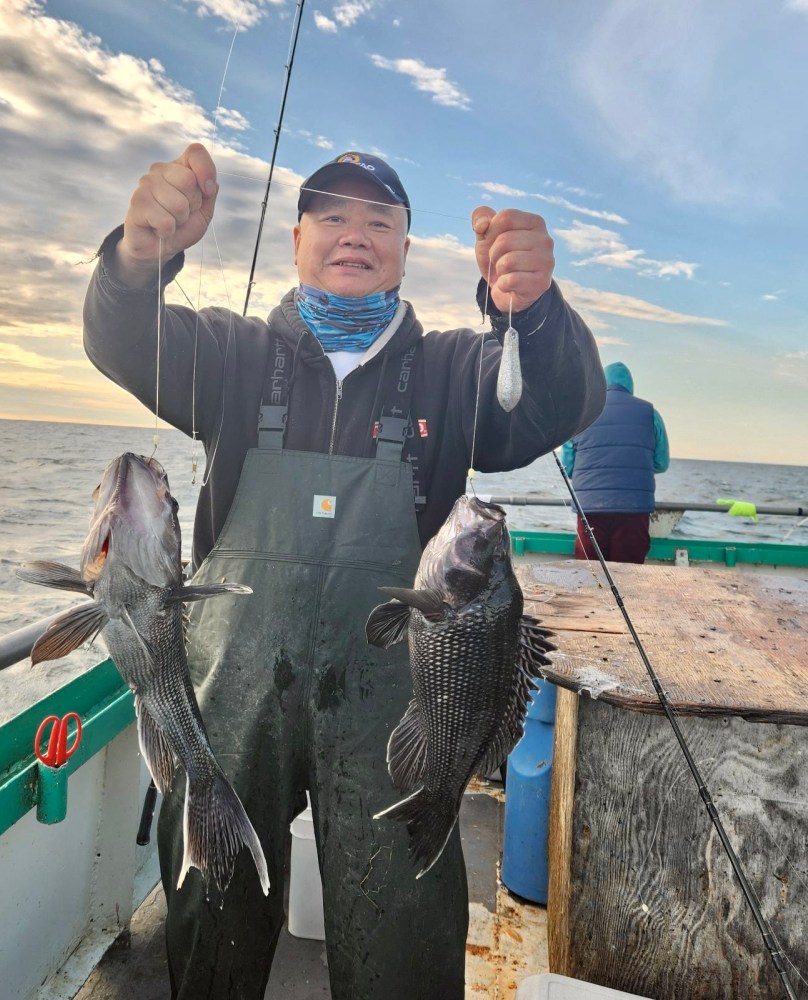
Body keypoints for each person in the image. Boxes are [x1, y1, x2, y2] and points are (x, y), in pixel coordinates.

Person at [83, 142, 605, 1000]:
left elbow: (555, 402)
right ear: (296, 240)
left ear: (405, 249)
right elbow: (122, 339)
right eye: (331, 216)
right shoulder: (230, 355)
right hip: (232, 697)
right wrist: (141, 256)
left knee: (399, 922)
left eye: (378, 221)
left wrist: (535, 311)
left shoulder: (451, 370)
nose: (353, 234)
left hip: (392, 703)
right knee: (210, 909)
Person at [561, 361, 670, 564]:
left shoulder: (581, 412)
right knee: (628, 572)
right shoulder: (650, 413)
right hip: (633, 507)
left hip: (590, 507)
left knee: (591, 571)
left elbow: (567, 467)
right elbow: (661, 463)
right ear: (630, 386)